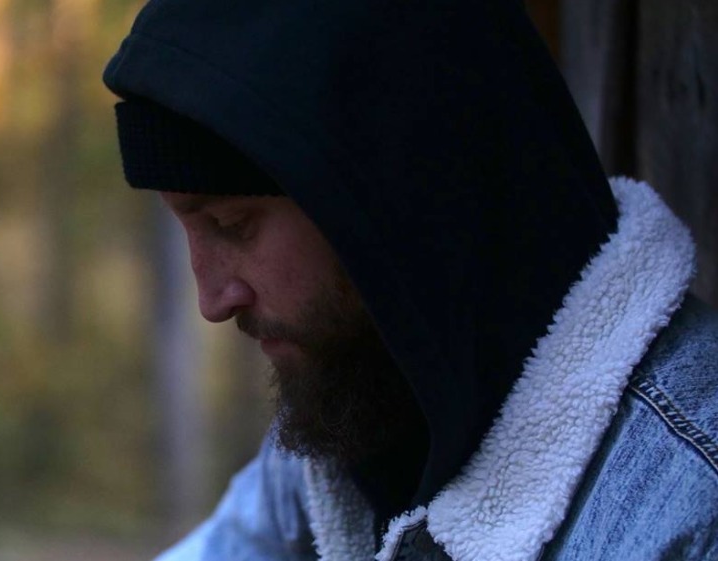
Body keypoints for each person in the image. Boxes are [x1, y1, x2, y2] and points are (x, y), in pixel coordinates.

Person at [102, 0, 718, 559]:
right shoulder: (364, 400)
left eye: (233, 225)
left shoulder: (689, 505)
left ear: (391, 195)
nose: (212, 300)